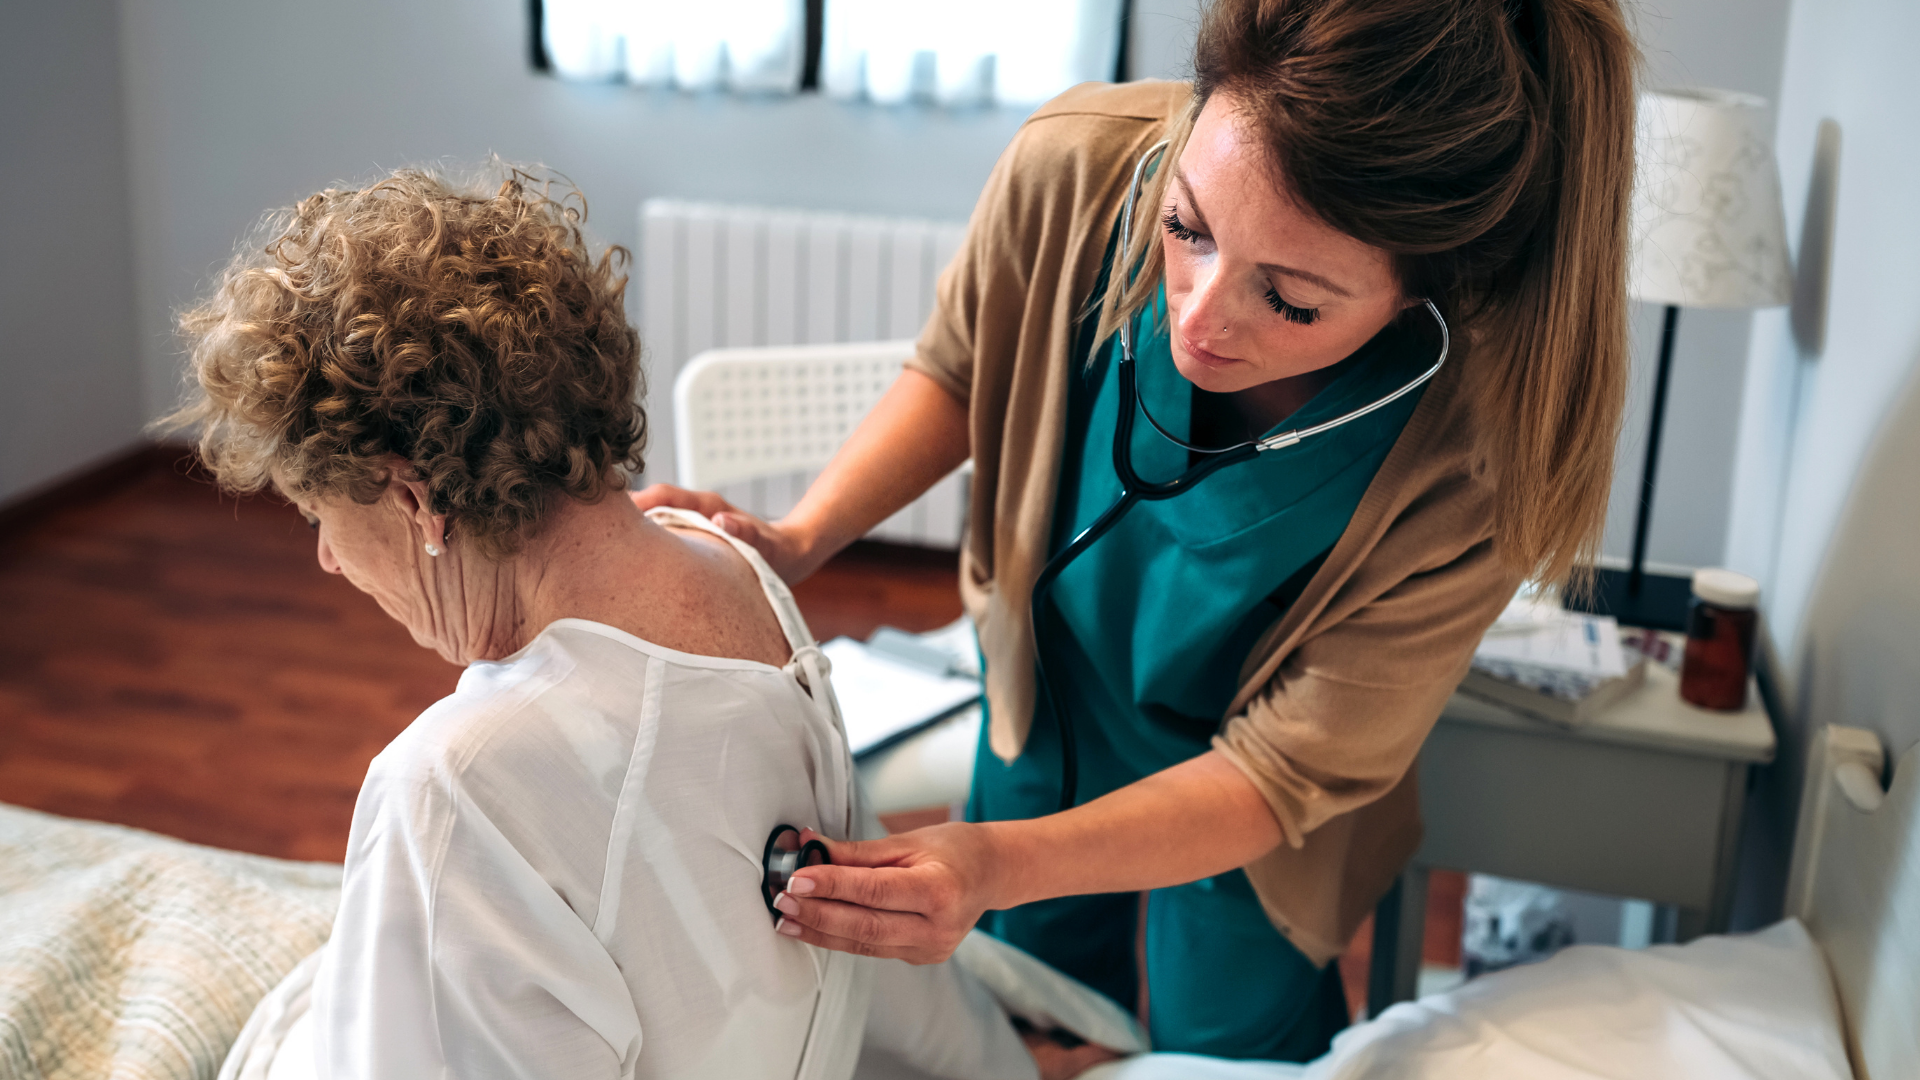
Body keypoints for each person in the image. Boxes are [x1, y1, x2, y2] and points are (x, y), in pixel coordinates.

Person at [636, 0, 1636, 1062]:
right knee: (1026, 1014)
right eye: (1188, 229)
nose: (1201, 318)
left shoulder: (1486, 449)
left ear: (1422, 293)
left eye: (1289, 301)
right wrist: (800, 537)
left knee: (1226, 1040)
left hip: (1253, 806)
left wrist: (991, 865)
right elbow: (968, 367)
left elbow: (1280, 775)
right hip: (1054, 693)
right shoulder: (1075, 171)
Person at [167, 167, 1127, 1080]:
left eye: (318, 514)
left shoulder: (456, 787)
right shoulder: (737, 568)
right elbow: (862, 940)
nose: (327, 557)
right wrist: (1001, 1062)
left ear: (415, 502)